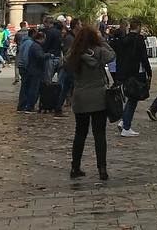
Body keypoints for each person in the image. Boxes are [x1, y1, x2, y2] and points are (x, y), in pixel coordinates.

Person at [64, 24, 115, 181]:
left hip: (80, 97)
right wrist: (102, 40)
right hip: (98, 97)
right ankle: (102, 169)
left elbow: (65, 66)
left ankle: (75, 167)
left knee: (80, 134)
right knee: (99, 134)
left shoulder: (74, 54)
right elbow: (112, 55)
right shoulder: (99, 51)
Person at [112, 18, 152, 137]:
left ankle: (124, 121)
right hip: (135, 73)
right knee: (133, 98)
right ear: (138, 27)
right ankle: (126, 126)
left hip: (124, 73)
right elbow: (143, 57)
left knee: (130, 97)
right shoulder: (138, 40)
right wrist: (149, 71)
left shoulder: (123, 39)